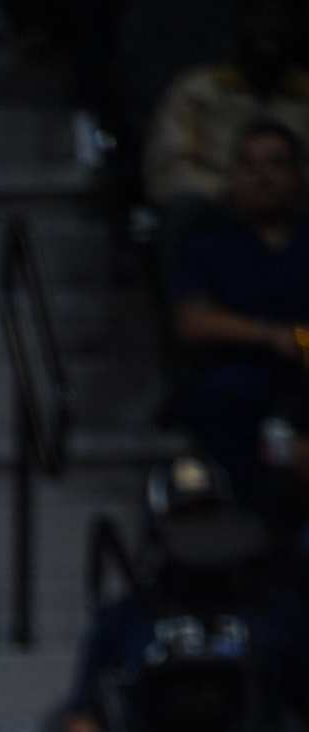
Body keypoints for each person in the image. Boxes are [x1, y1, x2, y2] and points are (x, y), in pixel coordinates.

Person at [170, 120, 309, 496]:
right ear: (233, 174)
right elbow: (193, 321)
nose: (263, 178)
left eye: (276, 164)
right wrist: (271, 335)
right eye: (249, 165)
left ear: (297, 173)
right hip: (238, 374)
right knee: (226, 396)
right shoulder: (207, 237)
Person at [148, 4, 309, 210]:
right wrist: (234, 190)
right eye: (260, 18)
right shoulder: (197, 91)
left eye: (279, 20)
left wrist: (287, 188)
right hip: (216, 208)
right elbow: (166, 173)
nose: (269, 28)